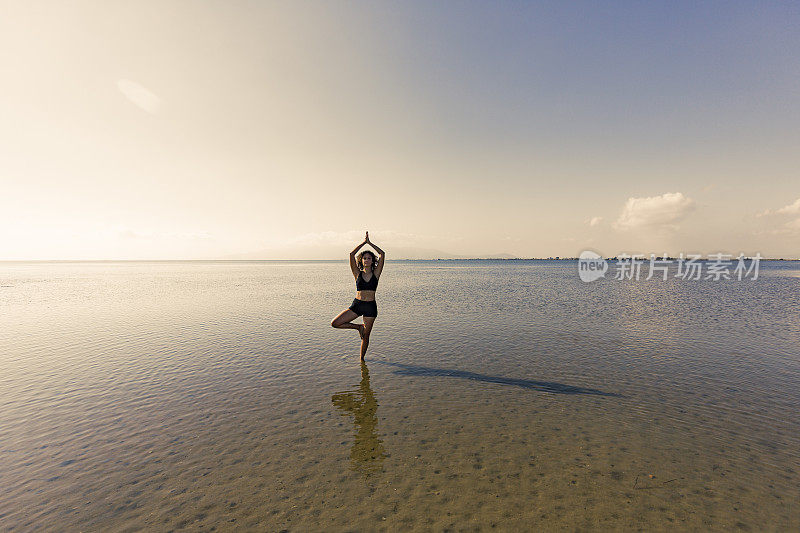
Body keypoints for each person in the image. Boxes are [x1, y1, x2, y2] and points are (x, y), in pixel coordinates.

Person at [330, 231, 385, 360]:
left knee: (366, 336)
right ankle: (358, 327)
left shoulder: (376, 273)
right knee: (335, 323)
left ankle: (362, 361)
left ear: (372, 261)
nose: (366, 260)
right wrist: (363, 243)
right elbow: (351, 254)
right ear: (361, 260)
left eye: (369, 258)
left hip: (370, 307)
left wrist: (370, 243)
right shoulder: (357, 273)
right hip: (357, 305)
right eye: (364, 258)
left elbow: (382, 254)